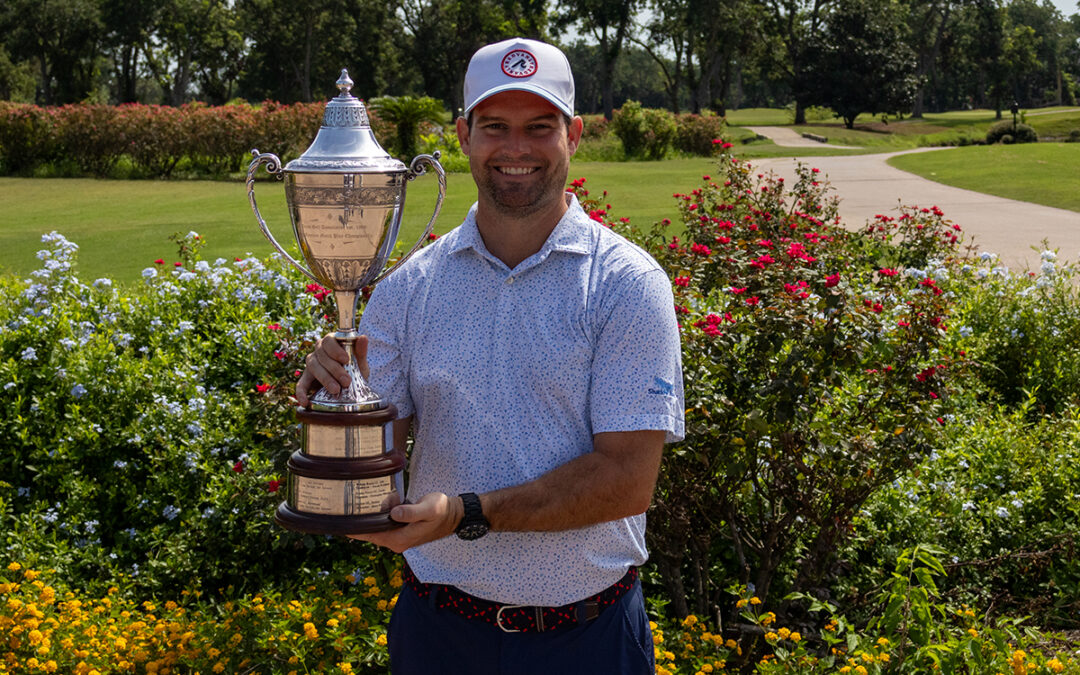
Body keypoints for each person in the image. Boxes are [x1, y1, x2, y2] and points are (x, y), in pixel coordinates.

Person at [297, 37, 684, 674]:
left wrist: (466, 515)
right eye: (495, 126)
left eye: (539, 127)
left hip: (585, 640)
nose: (516, 149)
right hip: (439, 632)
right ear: (464, 133)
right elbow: (377, 447)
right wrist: (340, 397)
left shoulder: (625, 284)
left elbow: (625, 481)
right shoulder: (409, 285)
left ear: (574, 135)